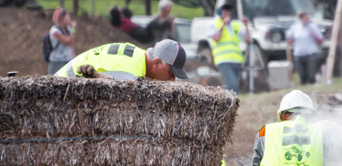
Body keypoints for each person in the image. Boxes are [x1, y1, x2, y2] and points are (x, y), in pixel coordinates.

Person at [55, 39, 188, 81]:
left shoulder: (136, 53)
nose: (172, 80)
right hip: (61, 88)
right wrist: (98, 76)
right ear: (157, 63)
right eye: (171, 73)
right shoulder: (131, 73)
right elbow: (109, 83)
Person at [208, 2, 251, 94]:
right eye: (225, 12)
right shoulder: (215, 23)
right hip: (223, 60)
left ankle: (229, 100)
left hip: (236, 60)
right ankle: (228, 101)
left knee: (236, 86)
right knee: (232, 85)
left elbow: (247, 40)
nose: (227, 14)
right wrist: (223, 24)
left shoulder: (235, 24)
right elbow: (216, 38)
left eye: (229, 12)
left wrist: (246, 26)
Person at [286, 12, 324, 85]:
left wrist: (315, 36)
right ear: (301, 19)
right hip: (298, 54)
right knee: (302, 75)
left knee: (311, 74)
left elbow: (320, 39)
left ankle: (313, 84)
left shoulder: (312, 27)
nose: (307, 20)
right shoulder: (295, 27)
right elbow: (289, 38)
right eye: (305, 18)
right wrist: (290, 41)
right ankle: (304, 86)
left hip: (311, 54)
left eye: (308, 18)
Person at [48, 7, 76, 75]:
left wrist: (73, 57)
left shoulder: (68, 29)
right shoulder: (55, 31)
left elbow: (71, 46)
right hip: (58, 62)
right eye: (67, 16)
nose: (69, 18)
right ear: (62, 18)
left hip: (68, 60)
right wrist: (73, 29)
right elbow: (68, 42)